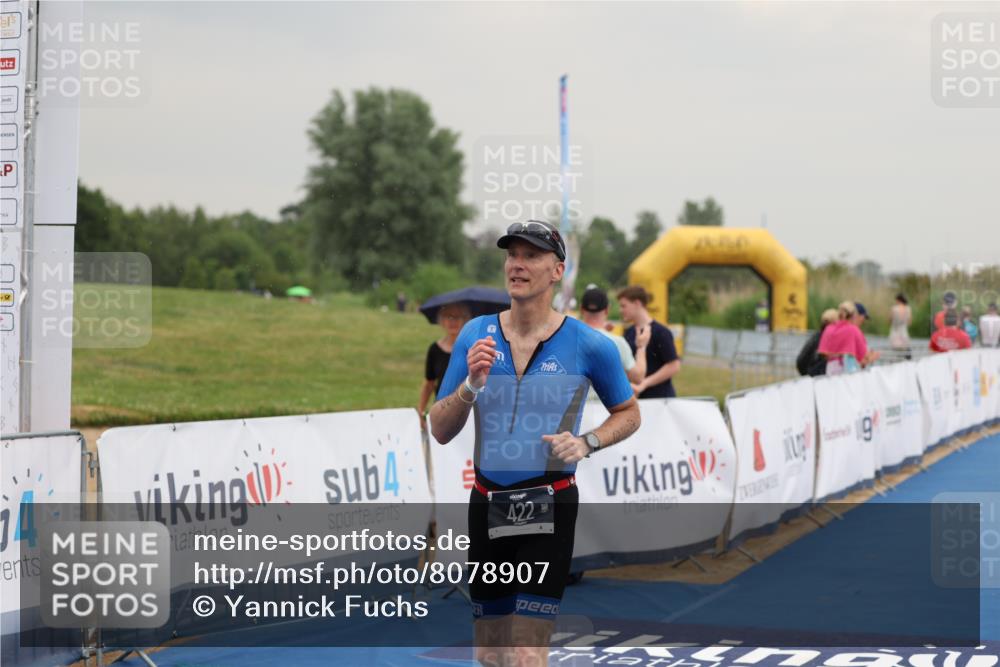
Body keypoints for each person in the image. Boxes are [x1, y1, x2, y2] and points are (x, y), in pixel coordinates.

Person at [429, 220, 641, 667]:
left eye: (531, 256)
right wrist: (470, 385)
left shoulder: (590, 345)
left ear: (557, 270)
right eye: (512, 255)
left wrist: (588, 442)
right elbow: (440, 428)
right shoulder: (475, 335)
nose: (517, 265)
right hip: (487, 503)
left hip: (549, 505)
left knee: (526, 651)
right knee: (490, 652)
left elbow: (630, 413)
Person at [617, 286, 682, 398]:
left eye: (624, 306)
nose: (620, 310)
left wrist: (644, 383)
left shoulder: (661, 332)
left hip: (660, 400)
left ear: (637, 303)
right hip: (635, 399)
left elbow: (674, 366)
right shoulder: (629, 332)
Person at [579, 286, 649, 387]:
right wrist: (641, 347)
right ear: (607, 309)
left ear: (581, 309)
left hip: (575, 402)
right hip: (605, 402)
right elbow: (637, 377)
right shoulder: (617, 342)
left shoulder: (566, 339)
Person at [418, 302, 472, 418]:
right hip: (442, 409)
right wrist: (421, 411)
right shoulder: (434, 349)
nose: (453, 321)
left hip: (468, 410)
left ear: (466, 320)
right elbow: (429, 383)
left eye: (458, 317)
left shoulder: (472, 348)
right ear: (441, 320)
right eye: (449, 316)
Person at [817, 301, 879, 374]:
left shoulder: (829, 329)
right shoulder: (853, 330)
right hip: (847, 373)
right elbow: (863, 360)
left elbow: (823, 353)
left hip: (830, 371)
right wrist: (873, 357)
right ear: (854, 316)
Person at [796, 308, 839, 377]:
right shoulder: (825, 339)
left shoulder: (816, 336)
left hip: (809, 374)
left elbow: (801, 360)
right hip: (816, 375)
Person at [888, 293, 912, 358]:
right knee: (905, 347)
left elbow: (890, 319)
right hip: (904, 330)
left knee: (895, 348)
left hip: (895, 330)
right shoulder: (908, 308)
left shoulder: (894, 308)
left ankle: (898, 359)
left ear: (898, 300)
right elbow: (909, 322)